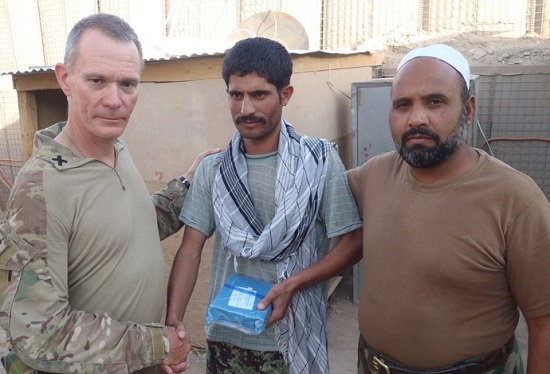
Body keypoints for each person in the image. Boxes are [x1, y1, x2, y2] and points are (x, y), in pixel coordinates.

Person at [0, 13, 220, 374]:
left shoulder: (116, 149)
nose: (114, 100)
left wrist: (187, 185)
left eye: (128, 84)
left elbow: (132, 228)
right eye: (97, 81)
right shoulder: (41, 187)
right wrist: (158, 345)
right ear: (64, 79)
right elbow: (39, 334)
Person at [347, 44, 550, 373]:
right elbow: (315, 196)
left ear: (468, 109)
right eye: (402, 105)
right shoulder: (374, 174)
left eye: (435, 101)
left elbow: (545, 329)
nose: (416, 118)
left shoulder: (517, 201)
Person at [165, 37, 363, 374]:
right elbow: (191, 249)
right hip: (227, 336)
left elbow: (353, 242)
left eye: (259, 94)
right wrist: (173, 321)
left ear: (285, 95)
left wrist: (292, 285)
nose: (245, 110)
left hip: (291, 338)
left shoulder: (318, 162)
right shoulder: (214, 170)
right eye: (236, 95)